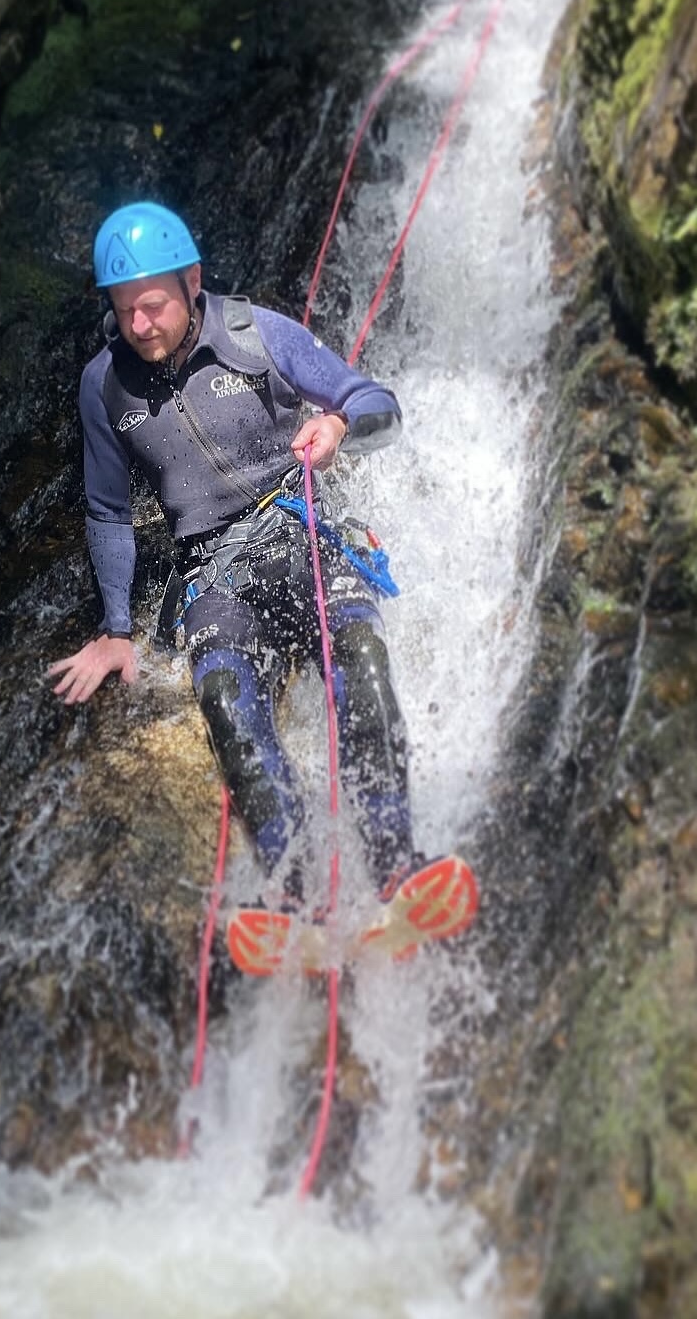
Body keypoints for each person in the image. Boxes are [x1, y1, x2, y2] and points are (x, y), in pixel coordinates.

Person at [48, 202, 436, 912]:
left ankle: (396, 864)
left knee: (362, 655)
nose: (140, 325)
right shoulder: (104, 385)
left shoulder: (257, 333)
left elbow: (377, 401)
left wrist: (339, 422)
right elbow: (107, 509)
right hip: (216, 573)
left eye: (154, 304)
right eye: (124, 308)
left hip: (302, 531)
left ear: (193, 279)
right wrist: (115, 629)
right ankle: (300, 897)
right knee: (226, 698)